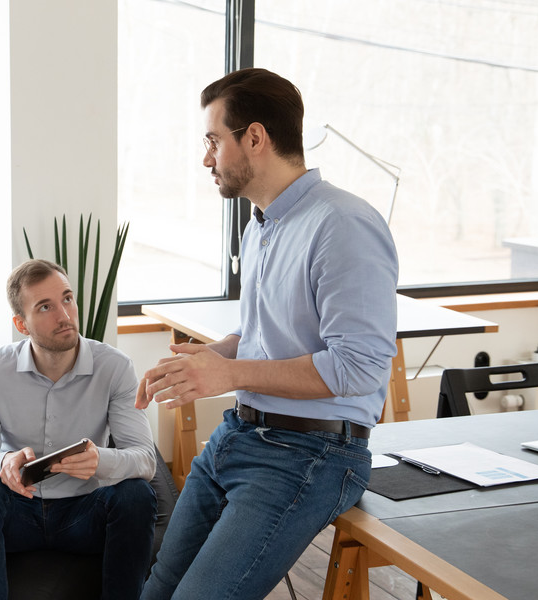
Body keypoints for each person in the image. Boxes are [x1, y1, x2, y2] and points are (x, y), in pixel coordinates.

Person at [136, 68, 400, 600]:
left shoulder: (343, 224)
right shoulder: (261, 225)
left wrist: (228, 372)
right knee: (157, 587)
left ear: (254, 137)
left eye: (213, 141)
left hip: (312, 455)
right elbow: (264, 333)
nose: (205, 158)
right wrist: (211, 356)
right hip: (241, 434)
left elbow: (359, 367)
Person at [0, 258, 159, 600]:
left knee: (137, 496)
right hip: (17, 512)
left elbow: (145, 460)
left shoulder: (115, 367)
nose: (64, 315)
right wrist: (2, 463)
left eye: (67, 298)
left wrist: (100, 460)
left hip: (85, 514)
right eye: (45, 306)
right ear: (22, 324)